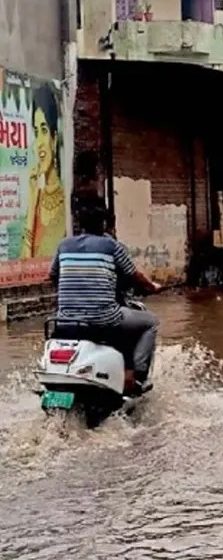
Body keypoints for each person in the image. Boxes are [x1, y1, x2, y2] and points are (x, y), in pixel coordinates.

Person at [49, 200, 160, 394]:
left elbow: (52, 276)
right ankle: (138, 377)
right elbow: (134, 276)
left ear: (79, 224)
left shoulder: (64, 245)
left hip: (64, 321)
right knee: (150, 322)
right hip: (103, 319)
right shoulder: (111, 246)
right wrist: (152, 286)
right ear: (104, 224)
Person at [21, 82, 66, 259]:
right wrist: (32, 203)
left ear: (54, 139)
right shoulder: (37, 197)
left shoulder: (66, 203)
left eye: (44, 130)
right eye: (36, 131)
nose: (39, 142)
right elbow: (24, 264)